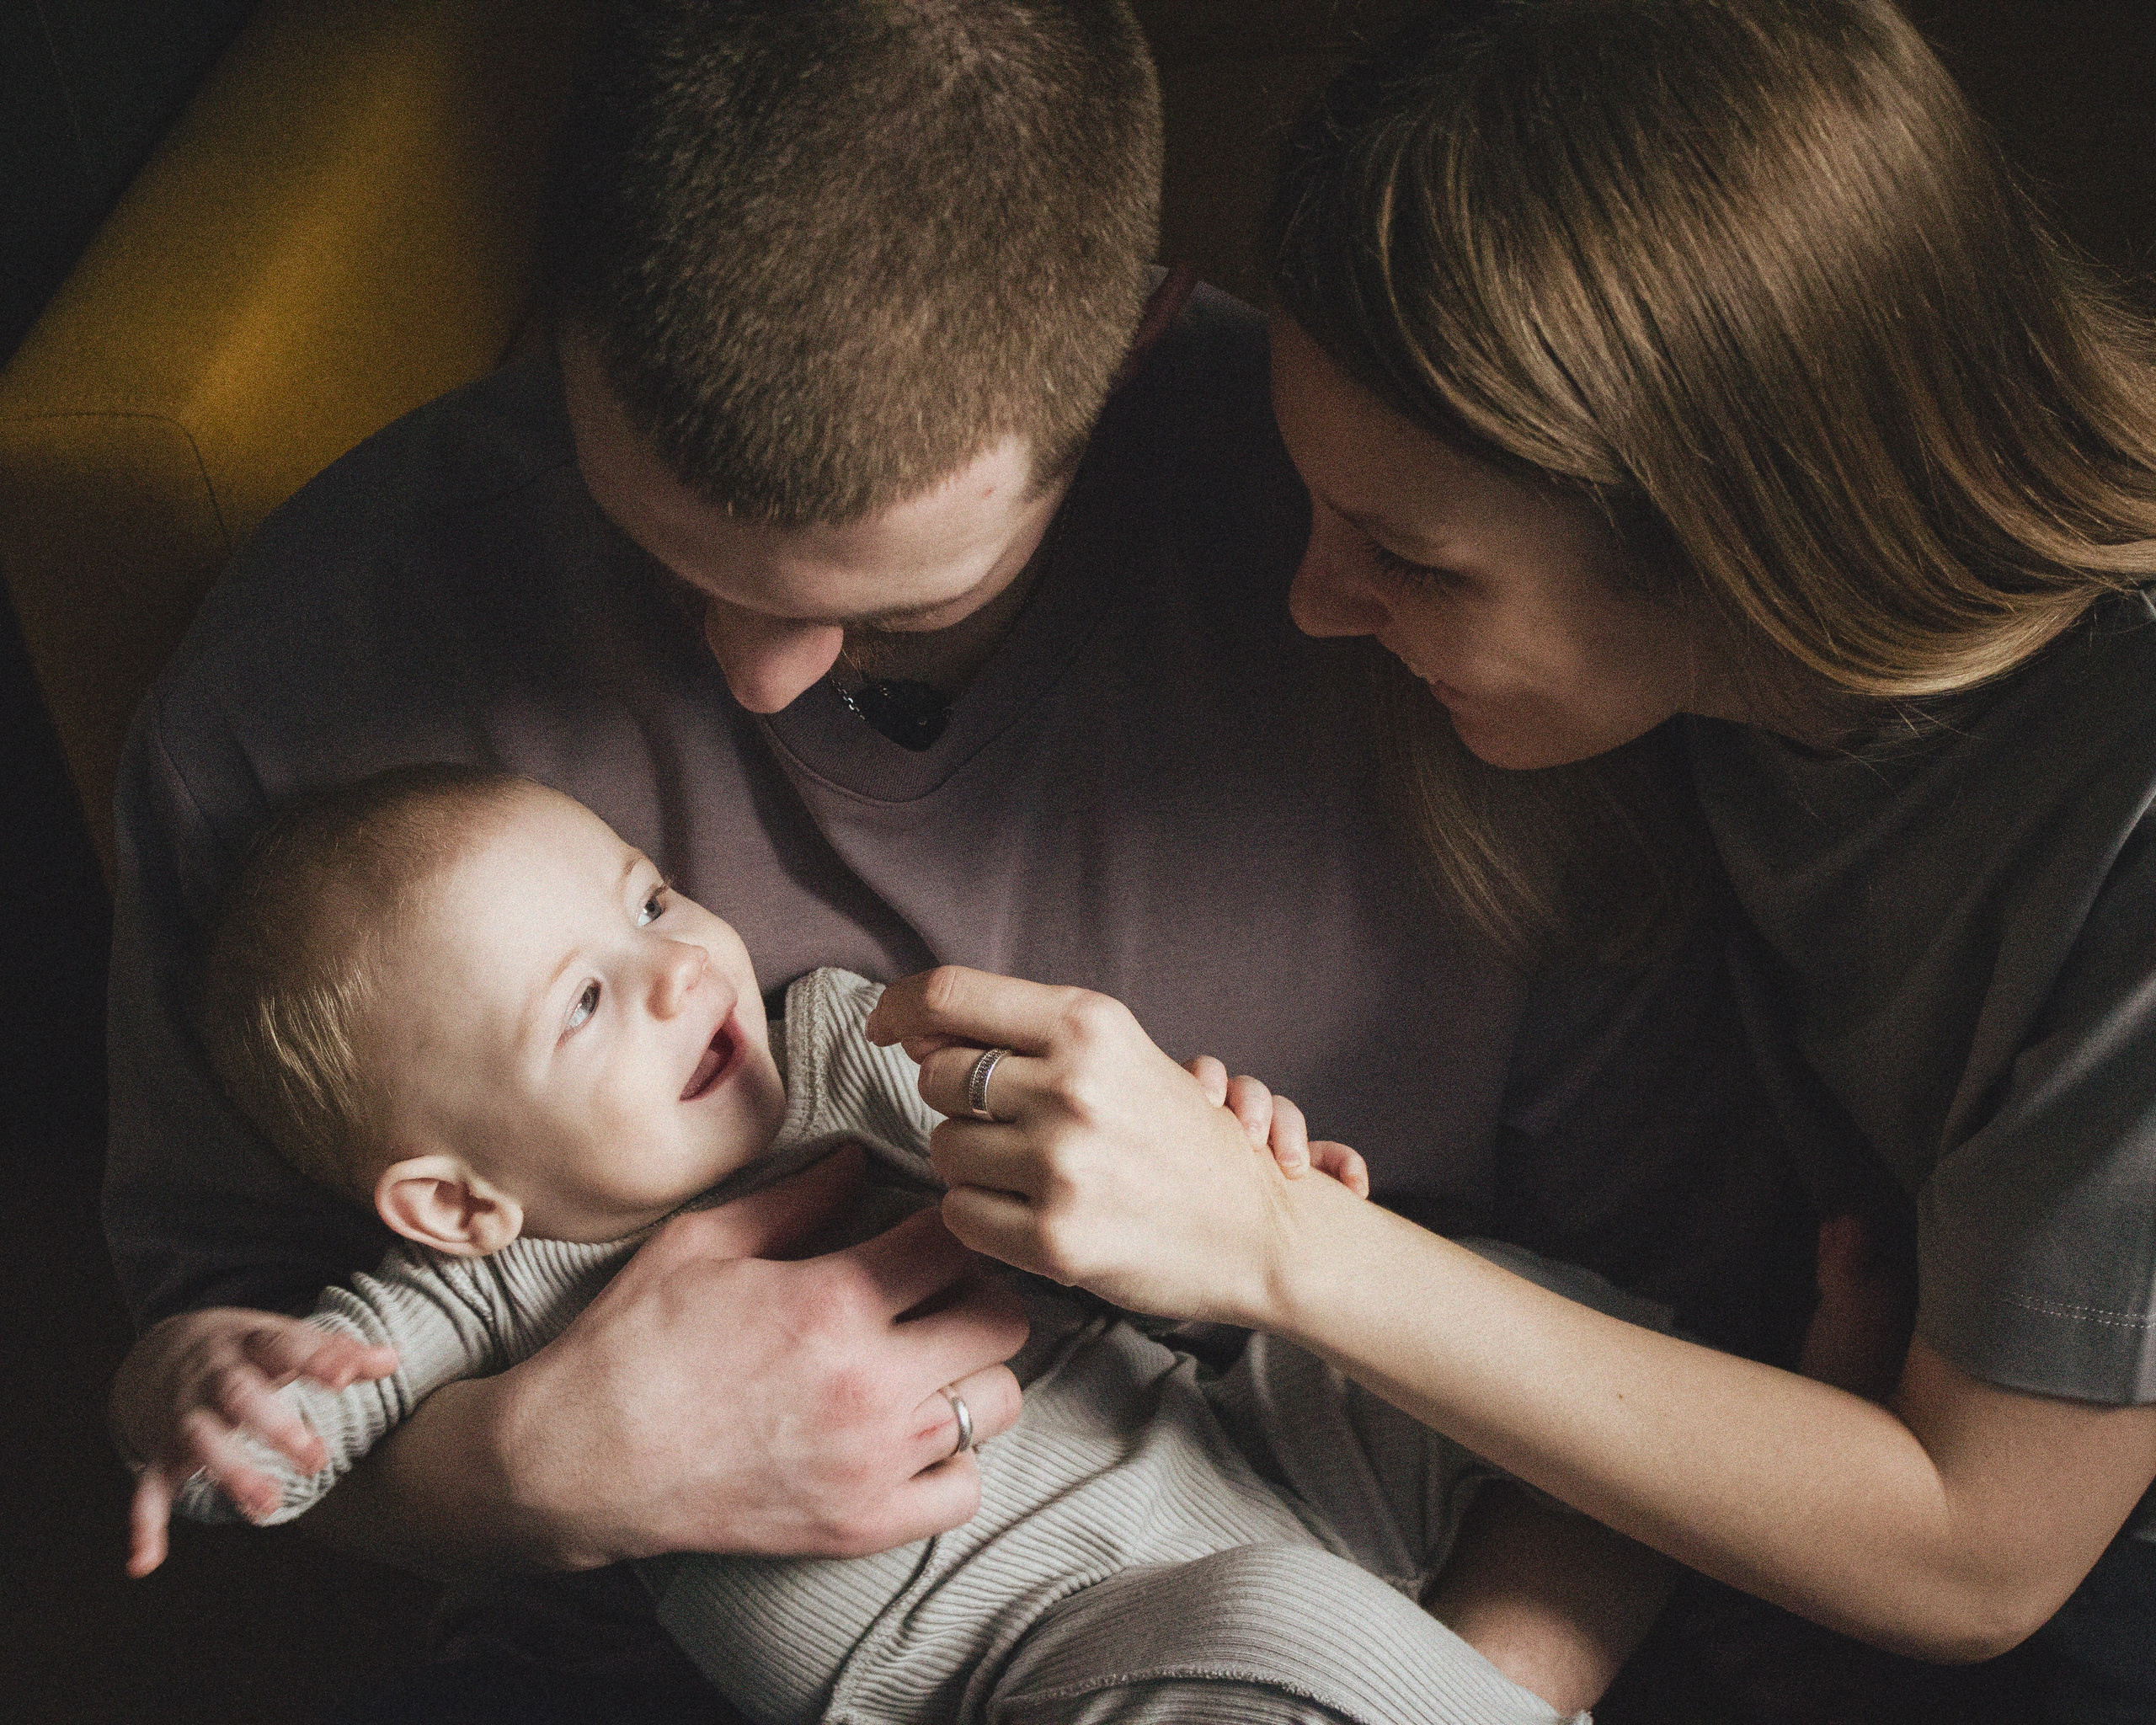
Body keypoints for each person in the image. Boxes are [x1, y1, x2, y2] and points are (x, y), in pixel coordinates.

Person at [104, 0, 1799, 1717]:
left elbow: (1662, 1345)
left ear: (1130, 349)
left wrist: (1438, 1678)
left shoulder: (1418, 589)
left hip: (1385, 1565)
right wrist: (536, 1471)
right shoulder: (311, 671)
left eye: (888, 599)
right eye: (660, 545)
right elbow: (244, 1388)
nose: (759, 681)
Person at [862, 2, 2156, 1719]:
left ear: (1733, 522)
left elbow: (1976, 1553)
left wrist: (1269, 1238)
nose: (1315, 600)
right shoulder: (1747, 654)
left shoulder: (2116, 825)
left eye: (1408, 556)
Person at [126, 762, 1691, 1724]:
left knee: (1547, 1341)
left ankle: (1441, 1667)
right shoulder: (482, 1295)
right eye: (586, 1002)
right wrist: (196, 1384)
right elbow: (286, 1437)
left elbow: (1088, 1183)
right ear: (458, 1201)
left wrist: (1226, 1166)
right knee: (1293, 1631)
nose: (680, 970)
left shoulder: (829, 1049)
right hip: (1048, 1644)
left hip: (1224, 1439)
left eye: (652, 898)